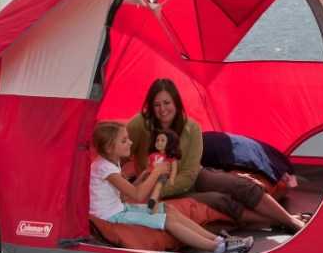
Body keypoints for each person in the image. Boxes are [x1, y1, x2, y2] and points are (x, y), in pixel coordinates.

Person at [125, 79, 309, 232]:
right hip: (157, 186)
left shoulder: (191, 128)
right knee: (221, 201)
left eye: (167, 103)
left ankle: (291, 221)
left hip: (191, 177)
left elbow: (189, 174)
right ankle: (282, 221)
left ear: (176, 103)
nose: (162, 109)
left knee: (242, 185)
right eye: (156, 104)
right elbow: (120, 154)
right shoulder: (140, 123)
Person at [89, 121, 254, 253]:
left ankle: (220, 240)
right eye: (124, 140)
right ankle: (219, 249)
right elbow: (138, 196)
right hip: (111, 216)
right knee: (167, 221)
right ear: (109, 148)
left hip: (118, 207)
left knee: (168, 208)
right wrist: (157, 172)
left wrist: (146, 172)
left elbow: (123, 197)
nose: (130, 143)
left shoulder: (111, 161)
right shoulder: (105, 168)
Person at [145, 128, 180, 211]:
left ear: (169, 143)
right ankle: (154, 207)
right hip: (151, 175)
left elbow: (174, 169)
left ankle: (153, 199)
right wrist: (149, 169)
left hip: (162, 176)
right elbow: (148, 166)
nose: (159, 142)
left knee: (157, 187)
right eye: (157, 140)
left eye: (162, 140)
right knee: (150, 189)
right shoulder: (152, 155)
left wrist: (172, 178)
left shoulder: (170, 157)